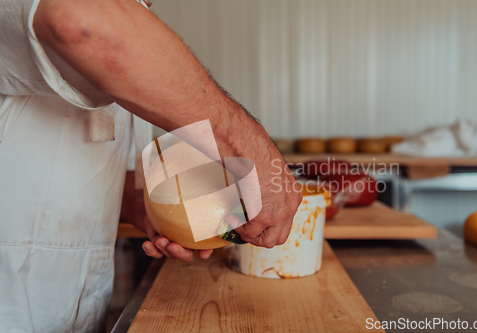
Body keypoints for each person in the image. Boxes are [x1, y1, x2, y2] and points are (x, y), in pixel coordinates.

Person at [0, 0, 302, 331]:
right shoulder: (108, 15)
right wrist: (254, 153)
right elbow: (81, 21)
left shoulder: (131, 14)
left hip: (65, 305)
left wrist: (154, 210)